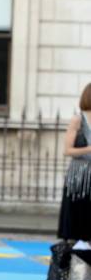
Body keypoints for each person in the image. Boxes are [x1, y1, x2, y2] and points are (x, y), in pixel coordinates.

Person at [57, 82, 91, 242]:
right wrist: (89, 149)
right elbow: (67, 150)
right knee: (76, 229)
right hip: (79, 179)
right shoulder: (78, 120)